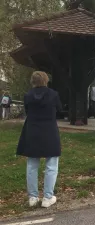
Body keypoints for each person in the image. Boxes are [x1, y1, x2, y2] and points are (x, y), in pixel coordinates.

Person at [16, 71, 62, 208]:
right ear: (46, 80)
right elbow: (59, 110)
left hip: (32, 131)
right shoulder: (54, 94)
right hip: (49, 131)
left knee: (31, 165)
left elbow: (27, 110)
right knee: (52, 164)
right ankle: (48, 197)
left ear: (33, 81)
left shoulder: (27, 95)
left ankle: (33, 197)